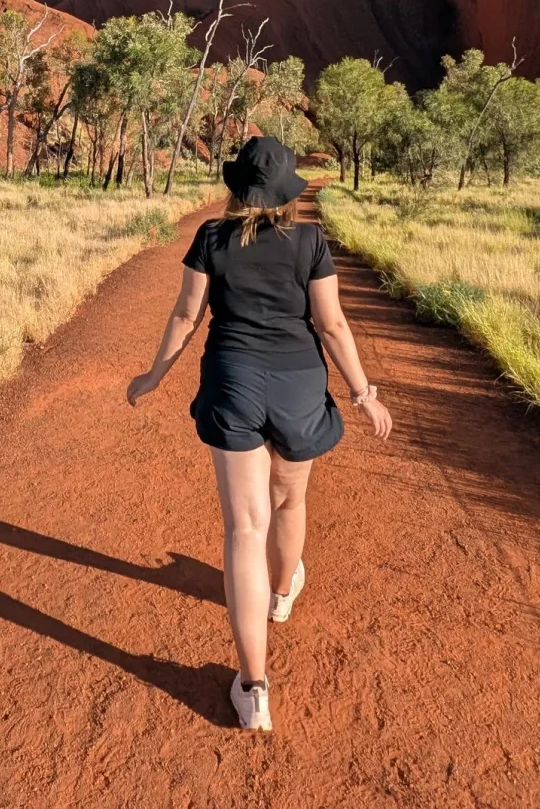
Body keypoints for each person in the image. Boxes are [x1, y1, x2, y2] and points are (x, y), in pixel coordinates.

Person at [126, 136, 394, 732]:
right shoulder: (309, 240)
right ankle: (282, 594)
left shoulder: (211, 238)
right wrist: (362, 393)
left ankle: (254, 689)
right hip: (299, 385)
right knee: (290, 497)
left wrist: (153, 376)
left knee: (245, 529)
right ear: (286, 191)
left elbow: (185, 316)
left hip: (233, 382)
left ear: (238, 186)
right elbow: (331, 323)